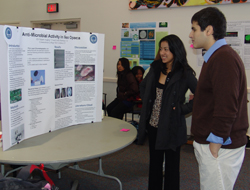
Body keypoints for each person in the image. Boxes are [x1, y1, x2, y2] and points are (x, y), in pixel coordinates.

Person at [189, 7, 249, 190]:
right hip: (214, 145)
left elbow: (227, 107)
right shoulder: (216, 56)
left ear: (208, 30)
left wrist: (215, 143)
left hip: (219, 147)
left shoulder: (223, 58)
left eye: (194, 28)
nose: (191, 34)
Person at [137, 34, 197, 190]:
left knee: (171, 168)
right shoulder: (156, 68)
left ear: (175, 51)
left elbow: (201, 96)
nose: (162, 53)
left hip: (172, 127)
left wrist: (182, 109)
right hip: (153, 125)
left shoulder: (185, 73)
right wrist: (148, 102)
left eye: (167, 49)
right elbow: (143, 86)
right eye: (161, 49)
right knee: (154, 165)